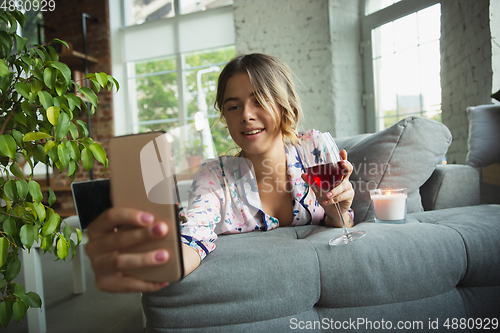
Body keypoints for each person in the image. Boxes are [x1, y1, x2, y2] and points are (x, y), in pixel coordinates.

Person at [85, 53, 355, 293]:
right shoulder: (215, 176)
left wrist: (338, 208)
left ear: (286, 107)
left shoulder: (314, 156)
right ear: (225, 117)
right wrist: (161, 264)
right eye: (233, 106)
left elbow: (339, 224)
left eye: (259, 100)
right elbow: (194, 236)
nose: (246, 115)